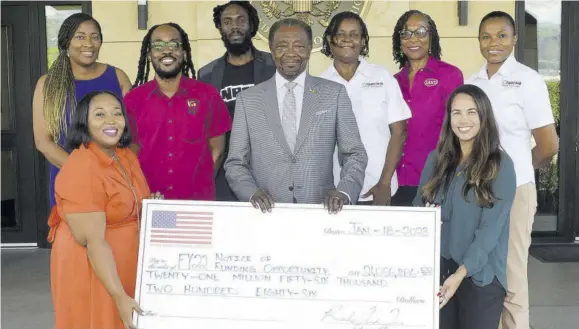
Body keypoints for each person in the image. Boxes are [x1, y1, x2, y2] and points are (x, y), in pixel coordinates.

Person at [466, 11, 559, 329]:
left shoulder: (528, 80)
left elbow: (548, 144)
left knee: (512, 267)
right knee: (483, 265)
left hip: (515, 189)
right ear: (479, 41)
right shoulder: (472, 82)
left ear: (514, 38)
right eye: (486, 36)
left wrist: (514, 172)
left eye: (502, 35)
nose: (494, 43)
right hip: (478, 189)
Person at [224, 18, 367, 213]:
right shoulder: (247, 100)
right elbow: (235, 163)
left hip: (322, 212)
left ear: (309, 50)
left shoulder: (334, 93)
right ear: (272, 49)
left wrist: (344, 192)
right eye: (282, 46)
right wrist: (251, 193)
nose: (291, 53)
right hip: (265, 215)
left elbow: (355, 154)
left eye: (299, 46)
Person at [414, 84, 516, 329]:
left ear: (484, 116)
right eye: (456, 113)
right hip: (440, 272)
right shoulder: (436, 159)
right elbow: (418, 211)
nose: (463, 120)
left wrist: (460, 275)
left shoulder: (500, 165)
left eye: (471, 112)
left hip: (480, 276)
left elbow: (489, 233)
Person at [48, 91, 152, 329]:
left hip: (121, 261)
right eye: (100, 114)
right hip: (93, 265)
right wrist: (119, 296)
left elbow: (133, 200)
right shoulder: (81, 167)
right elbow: (94, 242)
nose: (111, 120)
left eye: (117, 113)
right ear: (84, 123)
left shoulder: (124, 155)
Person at [32, 13, 132, 208]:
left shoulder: (117, 76)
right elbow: (43, 141)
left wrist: (114, 174)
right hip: (71, 179)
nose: (89, 43)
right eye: (80, 36)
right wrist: (86, 173)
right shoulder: (48, 84)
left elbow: (133, 130)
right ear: (66, 42)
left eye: (95, 36)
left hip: (116, 181)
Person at [124, 23, 232, 201]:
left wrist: (199, 185)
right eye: (158, 45)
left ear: (183, 52)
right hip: (150, 202)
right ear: (149, 55)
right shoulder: (133, 100)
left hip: (196, 204)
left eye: (174, 44)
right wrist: (141, 192)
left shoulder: (208, 95)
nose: (167, 51)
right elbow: (130, 153)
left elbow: (217, 150)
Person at [320, 11, 410, 206]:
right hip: (335, 193)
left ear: (363, 41)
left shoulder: (381, 77)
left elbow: (399, 132)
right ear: (330, 39)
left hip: (380, 191)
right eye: (340, 34)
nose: (347, 40)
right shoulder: (319, 84)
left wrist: (384, 183)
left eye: (354, 34)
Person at [199, 1, 277, 201]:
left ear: (251, 25)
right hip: (225, 170)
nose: (234, 26)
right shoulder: (207, 75)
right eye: (227, 21)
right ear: (220, 28)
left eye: (241, 20)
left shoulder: (274, 66)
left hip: (268, 167)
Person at [391, 10, 464, 206]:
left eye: (421, 31)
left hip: (435, 180)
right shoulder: (392, 82)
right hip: (396, 182)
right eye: (405, 33)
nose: (413, 38)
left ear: (431, 36)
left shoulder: (449, 75)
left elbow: (458, 130)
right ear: (399, 41)